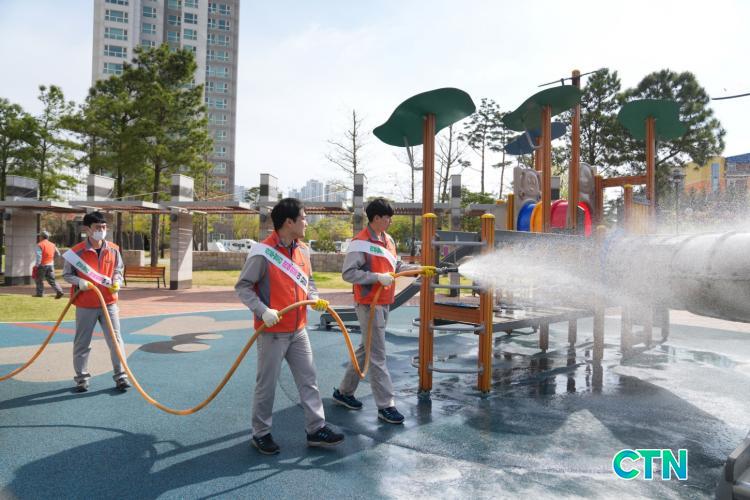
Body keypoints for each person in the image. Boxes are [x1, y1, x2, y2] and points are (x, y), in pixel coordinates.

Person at [235, 198, 344, 455]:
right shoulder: (263, 252)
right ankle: (261, 433)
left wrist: (314, 297)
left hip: (298, 329)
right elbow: (243, 287)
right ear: (289, 222)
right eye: (303, 218)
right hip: (272, 332)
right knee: (267, 385)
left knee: (309, 379)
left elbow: (309, 282)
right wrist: (262, 311)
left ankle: (316, 429)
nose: (306, 222)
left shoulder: (303, 250)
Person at [333, 198, 435, 424]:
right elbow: (348, 273)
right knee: (378, 355)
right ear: (376, 218)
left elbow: (396, 267)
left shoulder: (387, 240)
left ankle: (344, 392)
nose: (390, 221)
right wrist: (376, 277)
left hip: (383, 302)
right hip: (369, 303)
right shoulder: (360, 242)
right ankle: (385, 405)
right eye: (387, 217)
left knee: (366, 348)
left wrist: (418, 269)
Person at [62, 211, 130, 393]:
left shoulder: (113, 249)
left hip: (109, 303)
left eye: (104, 227)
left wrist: (117, 281)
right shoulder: (76, 253)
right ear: (87, 229)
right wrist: (79, 282)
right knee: (82, 343)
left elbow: (118, 269)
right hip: (86, 304)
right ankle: (82, 379)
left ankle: (121, 376)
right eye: (98, 227)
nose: (102, 230)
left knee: (116, 341)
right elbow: (67, 274)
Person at [33, 230, 64, 299]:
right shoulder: (52, 244)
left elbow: (39, 256)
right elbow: (58, 254)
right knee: (52, 280)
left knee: (39, 280)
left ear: (41, 237)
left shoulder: (40, 244)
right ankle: (59, 291)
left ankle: (40, 293)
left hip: (42, 265)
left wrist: (36, 266)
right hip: (50, 265)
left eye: (40, 236)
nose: (39, 237)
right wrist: (51, 259)